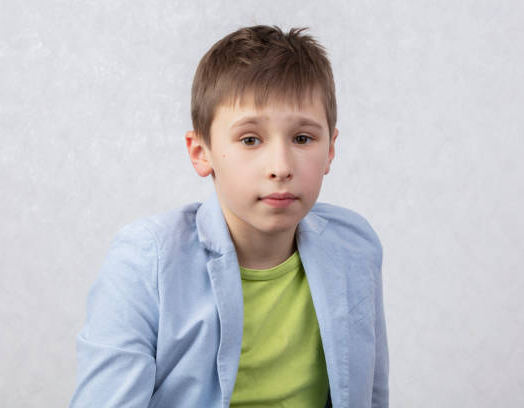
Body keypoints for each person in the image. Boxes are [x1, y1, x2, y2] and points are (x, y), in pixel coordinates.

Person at [70, 24, 388, 408]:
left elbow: (370, 394)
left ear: (331, 149)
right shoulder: (145, 261)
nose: (280, 167)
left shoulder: (355, 245)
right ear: (201, 151)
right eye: (250, 139)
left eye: (302, 138)